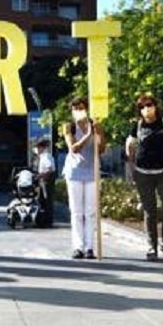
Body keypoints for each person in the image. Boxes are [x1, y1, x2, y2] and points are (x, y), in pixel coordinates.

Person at [125, 92, 163, 261]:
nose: (146, 109)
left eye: (149, 105)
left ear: (155, 106)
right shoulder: (137, 126)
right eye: (142, 107)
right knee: (149, 211)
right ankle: (152, 246)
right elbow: (130, 145)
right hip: (143, 174)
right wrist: (131, 166)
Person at [61, 97, 100, 260]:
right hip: (74, 172)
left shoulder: (95, 125)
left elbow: (102, 147)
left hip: (92, 171)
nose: (78, 110)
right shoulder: (68, 127)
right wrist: (88, 134)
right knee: (77, 212)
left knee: (90, 212)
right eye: (75, 108)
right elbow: (74, 148)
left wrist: (98, 133)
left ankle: (90, 247)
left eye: (81, 107)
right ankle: (78, 246)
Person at [33, 137, 56, 228]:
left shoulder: (46, 156)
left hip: (47, 181)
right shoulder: (43, 156)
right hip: (44, 180)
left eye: (38, 148)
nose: (37, 150)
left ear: (41, 148)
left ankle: (47, 221)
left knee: (47, 201)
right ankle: (44, 220)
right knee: (42, 200)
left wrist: (39, 176)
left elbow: (49, 169)